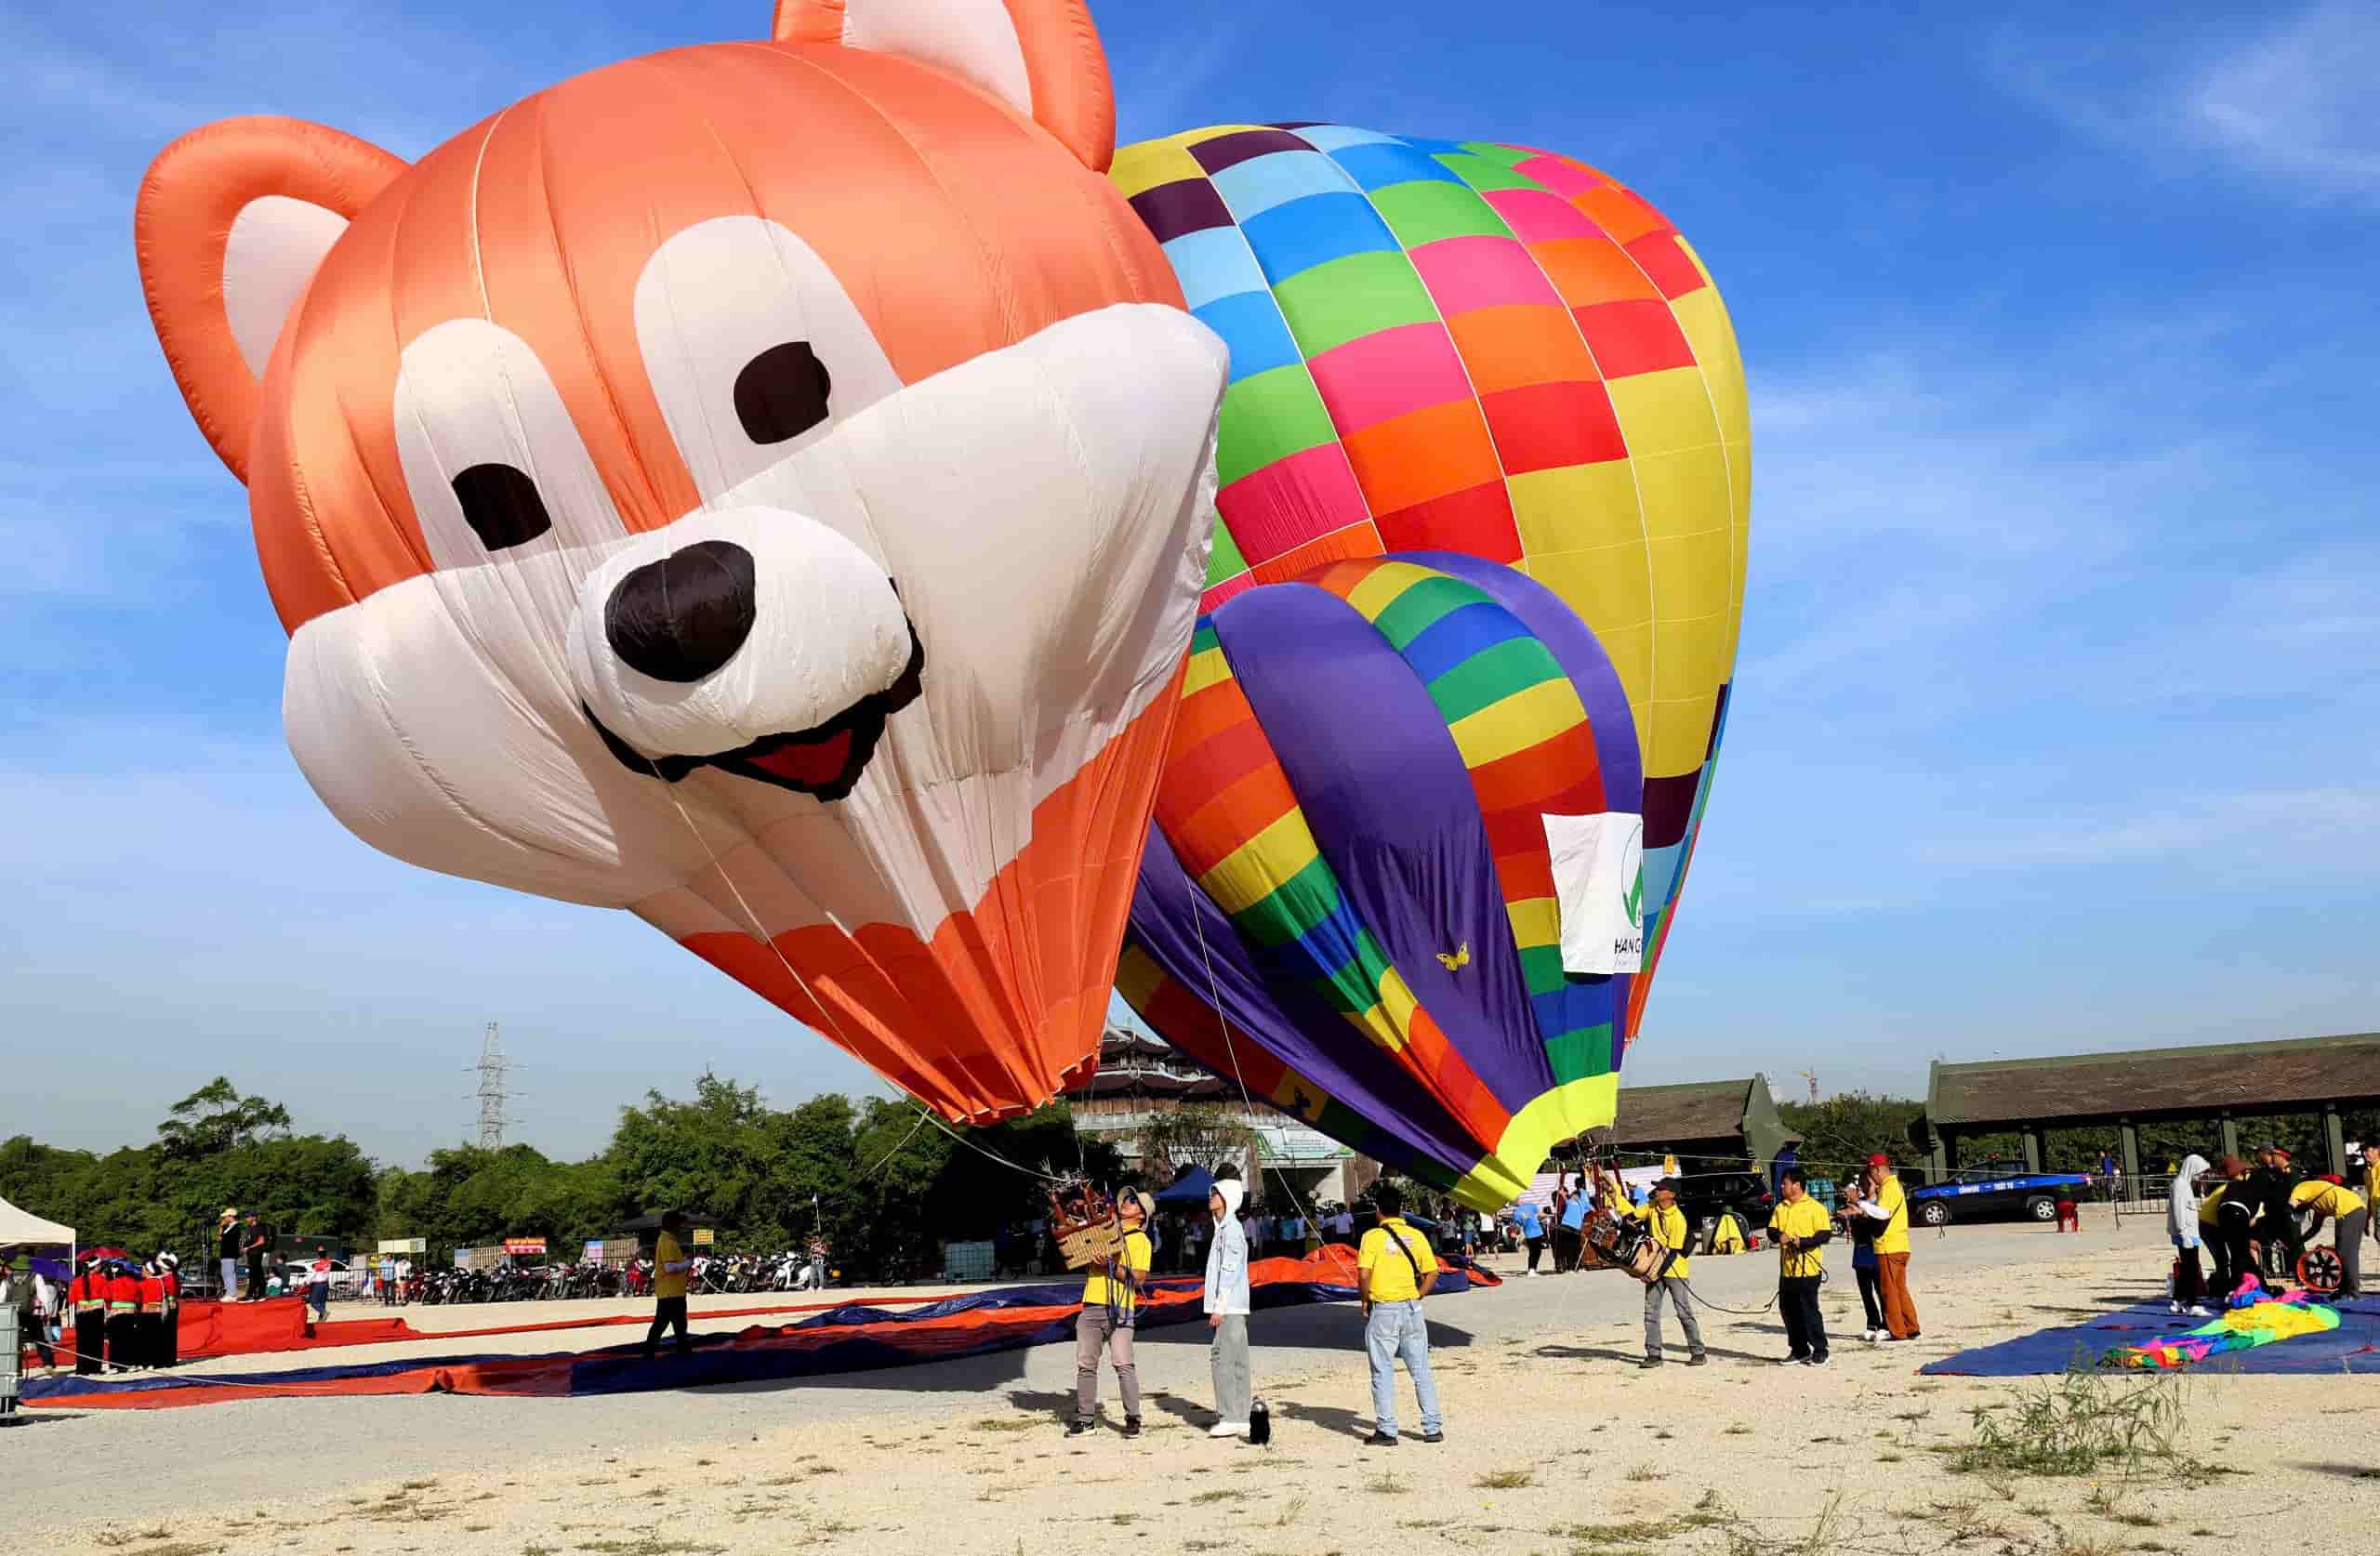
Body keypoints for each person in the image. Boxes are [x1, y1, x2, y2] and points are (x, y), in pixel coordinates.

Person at [1356, 1185, 1442, 1445]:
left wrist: (1364, 1299)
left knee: (1382, 1369)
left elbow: (1363, 1274)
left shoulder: (1371, 1237)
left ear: (1378, 1210)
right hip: (1412, 1308)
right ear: (1401, 1209)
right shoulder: (1415, 1235)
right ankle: (1432, 1426)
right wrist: (1418, 1295)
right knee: (1420, 1369)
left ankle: (1387, 1428)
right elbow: (1432, 1272)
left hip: (1385, 1308)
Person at [1071, 1191, 1153, 1437]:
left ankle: (1133, 1418)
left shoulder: (1141, 1241)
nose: (1126, 1203)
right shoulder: (1104, 1232)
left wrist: (1109, 1267)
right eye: (1127, 1199)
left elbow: (1138, 1279)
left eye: (1133, 1201)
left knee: (1123, 1363)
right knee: (1086, 1365)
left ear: (1141, 1214)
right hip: (1092, 1304)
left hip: (1121, 1307)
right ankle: (1086, 1419)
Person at [1633, 1179, 1705, 1366]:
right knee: (1651, 1313)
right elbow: (1631, 1214)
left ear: (1671, 1195)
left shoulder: (1678, 1218)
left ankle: (1698, 1352)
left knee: (1683, 1312)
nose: (1656, 1191)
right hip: (1655, 1268)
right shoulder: (1651, 1207)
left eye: (1661, 1189)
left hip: (1674, 1270)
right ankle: (1654, 1354)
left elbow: (1672, 1252)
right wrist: (1613, 1193)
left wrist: (1652, 1272)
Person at [1852, 1154, 1920, 1339]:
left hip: (1889, 1247)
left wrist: (1860, 1204)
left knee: (1889, 1291)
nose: (1871, 1178)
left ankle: (1897, 1331)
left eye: (1871, 1173)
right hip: (1898, 1245)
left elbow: (1883, 1213)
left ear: (1877, 1169)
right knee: (1899, 1290)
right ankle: (1911, 1327)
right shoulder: (1892, 1186)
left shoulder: (1889, 1187)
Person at [1768, 1167, 1831, 1366]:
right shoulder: (1781, 1208)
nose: (1782, 1186)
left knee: (1809, 1310)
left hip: (1808, 1269)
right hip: (1787, 1270)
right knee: (1788, 1310)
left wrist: (1802, 1242)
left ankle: (1820, 1349)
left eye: (1784, 1183)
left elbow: (1824, 1234)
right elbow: (1771, 1230)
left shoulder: (1816, 1208)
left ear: (1796, 1185)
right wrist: (1779, 1236)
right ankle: (1799, 1350)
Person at [1203, 1180, 1251, 1439]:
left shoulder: (1231, 1230)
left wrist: (1219, 1307)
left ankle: (1231, 1416)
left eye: (1216, 1193)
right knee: (1237, 1360)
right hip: (1232, 1306)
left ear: (1228, 1198)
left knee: (1222, 1358)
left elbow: (1229, 1270)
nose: (1210, 1197)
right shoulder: (1222, 1229)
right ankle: (1241, 1416)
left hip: (1229, 1307)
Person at [2289, 1173, 2366, 1298]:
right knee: (2346, 1252)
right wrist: (2300, 1240)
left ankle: (2352, 1291)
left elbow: (2291, 1204)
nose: (2305, 1211)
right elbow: (2315, 1228)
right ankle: (2344, 1289)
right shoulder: (2318, 1202)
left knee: (2345, 1254)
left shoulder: (2300, 1188)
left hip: (2347, 1211)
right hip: (2358, 1208)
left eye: (2302, 1210)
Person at [1840, 1166, 1886, 1341]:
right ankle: (1872, 1323)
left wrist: (1862, 1215)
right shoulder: (1856, 1204)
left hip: (1876, 1253)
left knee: (1881, 1291)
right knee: (1866, 1293)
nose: (1864, 1187)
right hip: (1860, 1254)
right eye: (1861, 1184)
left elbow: (1877, 1227)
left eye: (1868, 1183)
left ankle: (1885, 1325)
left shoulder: (1879, 1204)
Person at [642, 1210, 694, 1360]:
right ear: (673, 1225)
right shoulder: (668, 1242)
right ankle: (650, 1354)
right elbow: (670, 1267)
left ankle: (680, 1352)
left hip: (671, 1291)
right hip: (671, 1292)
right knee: (666, 1325)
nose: (682, 1228)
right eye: (680, 1224)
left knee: (674, 1326)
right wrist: (687, 1263)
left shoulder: (667, 1240)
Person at [2166, 1154, 2210, 1316]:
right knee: (2191, 1268)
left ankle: (2178, 1300)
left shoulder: (2185, 1185)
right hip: (2186, 1233)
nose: (2199, 1176)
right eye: (2198, 1172)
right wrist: (2183, 1233)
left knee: (2187, 1269)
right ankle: (2193, 1303)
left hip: (2190, 1232)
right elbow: (2178, 1211)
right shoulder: (2180, 1185)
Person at [68, 1254, 106, 1376]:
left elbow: (71, 1299)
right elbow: (107, 1296)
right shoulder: (101, 1279)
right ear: (96, 1267)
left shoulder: (77, 1280)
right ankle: (95, 1368)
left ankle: (82, 1368)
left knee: (83, 1341)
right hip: (96, 1312)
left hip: (82, 1313)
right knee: (96, 1341)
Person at [105, 1258, 142, 1373]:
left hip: (116, 1314)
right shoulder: (134, 1283)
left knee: (115, 1341)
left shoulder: (111, 1284)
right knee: (129, 1340)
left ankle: (115, 1366)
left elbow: (107, 1298)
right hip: (131, 1313)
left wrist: (110, 1309)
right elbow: (138, 1299)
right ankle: (130, 1364)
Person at [156, 1253, 181, 1368]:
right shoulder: (171, 1276)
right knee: (169, 1333)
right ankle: (169, 1358)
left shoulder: (169, 1278)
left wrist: (171, 1300)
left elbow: (171, 1290)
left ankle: (168, 1359)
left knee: (168, 1332)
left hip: (170, 1305)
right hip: (171, 1304)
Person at [241, 1212, 270, 1301]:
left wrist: (249, 1247)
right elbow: (248, 1240)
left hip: (257, 1252)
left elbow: (261, 1241)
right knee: (258, 1273)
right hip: (250, 1253)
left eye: (247, 1217)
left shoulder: (261, 1227)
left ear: (254, 1217)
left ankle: (250, 1294)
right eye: (246, 1217)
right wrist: (243, 1247)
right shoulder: (249, 1228)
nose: (246, 1219)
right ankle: (260, 1294)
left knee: (254, 1273)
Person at [1515, 1196, 1545, 1276]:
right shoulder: (1531, 1205)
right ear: (1521, 1200)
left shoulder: (1517, 1212)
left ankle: (1532, 1269)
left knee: (1533, 1251)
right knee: (1537, 1251)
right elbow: (1540, 1215)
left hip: (1528, 1233)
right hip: (1537, 1231)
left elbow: (1518, 1225)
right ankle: (1532, 1270)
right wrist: (1546, 1216)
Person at [217, 1207, 243, 1299]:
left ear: (231, 1216)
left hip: (230, 1253)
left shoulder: (236, 1227)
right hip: (225, 1253)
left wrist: (222, 1229)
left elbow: (226, 1239)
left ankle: (232, 1293)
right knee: (225, 1273)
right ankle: (229, 1292)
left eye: (226, 1216)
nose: (224, 1219)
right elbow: (220, 1238)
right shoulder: (228, 1227)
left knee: (229, 1272)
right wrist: (222, 1227)